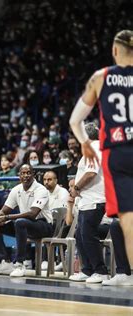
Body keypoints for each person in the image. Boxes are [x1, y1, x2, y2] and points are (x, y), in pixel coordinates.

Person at [69, 30, 133, 269]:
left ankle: (127, 274)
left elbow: (75, 121)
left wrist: (85, 142)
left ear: (115, 50)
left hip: (117, 153)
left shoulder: (101, 76)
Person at [0, 164, 53, 277]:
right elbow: (5, 210)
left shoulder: (41, 189)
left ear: (34, 175)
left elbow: (33, 214)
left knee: (20, 222)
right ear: (19, 176)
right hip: (25, 226)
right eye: (23, 173)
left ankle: (20, 264)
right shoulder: (16, 190)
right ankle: (5, 262)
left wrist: (7, 218)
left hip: (44, 226)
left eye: (28, 173)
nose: (26, 175)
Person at [68, 123, 110, 284]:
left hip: (95, 200)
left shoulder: (94, 147)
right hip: (87, 201)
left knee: (88, 235)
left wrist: (76, 187)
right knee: (80, 235)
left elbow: (91, 173)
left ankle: (101, 271)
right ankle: (87, 270)